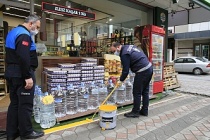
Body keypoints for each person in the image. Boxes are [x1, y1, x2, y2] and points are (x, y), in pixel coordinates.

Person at [5, 14, 44, 140]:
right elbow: (23, 56)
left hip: (12, 72)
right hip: (21, 74)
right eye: (37, 27)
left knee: (15, 104)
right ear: (31, 23)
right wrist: (27, 76)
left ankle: (12, 132)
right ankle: (26, 133)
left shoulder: (13, 32)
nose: (37, 30)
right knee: (25, 105)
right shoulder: (24, 35)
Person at [110, 42, 153, 118]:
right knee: (145, 91)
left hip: (142, 71)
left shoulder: (124, 54)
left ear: (118, 47)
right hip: (149, 68)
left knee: (137, 92)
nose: (114, 53)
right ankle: (144, 111)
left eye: (114, 51)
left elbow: (125, 70)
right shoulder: (129, 47)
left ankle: (135, 112)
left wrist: (120, 80)